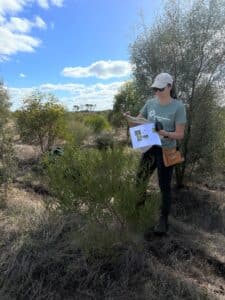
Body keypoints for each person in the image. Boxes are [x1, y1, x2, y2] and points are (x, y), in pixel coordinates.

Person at [135, 72, 186, 235]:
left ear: (169, 87)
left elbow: (180, 134)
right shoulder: (150, 103)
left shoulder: (178, 106)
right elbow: (139, 119)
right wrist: (132, 120)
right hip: (150, 147)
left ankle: (163, 220)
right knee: (140, 179)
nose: (157, 92)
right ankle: (138, 210)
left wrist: (164, 133)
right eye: (155, 89)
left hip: (168, 149)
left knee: (164, 186)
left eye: (160, 88)